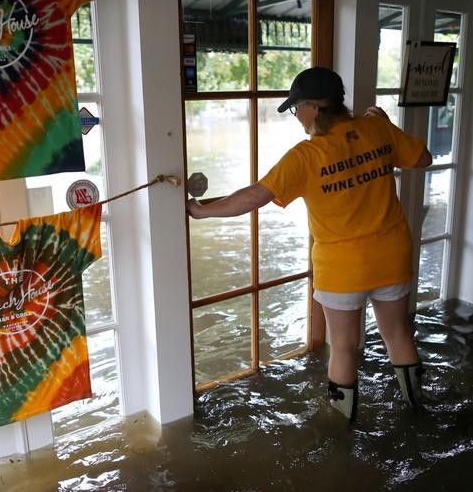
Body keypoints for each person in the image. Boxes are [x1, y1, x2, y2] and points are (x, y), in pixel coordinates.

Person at [185, 66, 432, 422]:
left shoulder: (306, 156)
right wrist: (387, 128)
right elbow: (423, 159)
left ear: (315, 107)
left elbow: (254, 196)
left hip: (341, 268)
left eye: (296, 108)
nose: (295, 116)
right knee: (396, 333)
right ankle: (417, 410)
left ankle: (341, 425)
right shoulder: (376, 129)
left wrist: (201, 211)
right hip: (391, 255)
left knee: (344, 347)